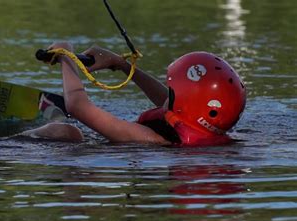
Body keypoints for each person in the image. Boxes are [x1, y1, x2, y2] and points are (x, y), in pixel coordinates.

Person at [23, 42, 246, 146]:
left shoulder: (148, 138)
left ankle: (3, 140)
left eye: (174, 91)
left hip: (92, 173)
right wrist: (121, 65)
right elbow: (168, 101)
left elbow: (78, 107)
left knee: (68, 132)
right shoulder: (200, 128)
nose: (168, 92)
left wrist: (66, 55)